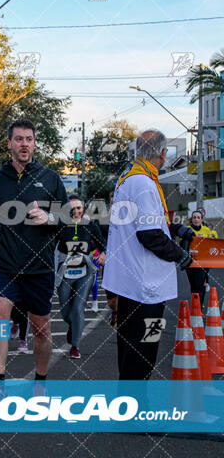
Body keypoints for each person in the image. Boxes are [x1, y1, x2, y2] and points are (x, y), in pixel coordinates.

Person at [0, 118, 68, 391]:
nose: (24, 144)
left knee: (41, 328)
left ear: (35, 143)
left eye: (29, 139)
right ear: (10, 144)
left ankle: (40, 382)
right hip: (4, 264)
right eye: (19, 139)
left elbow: (68, 218)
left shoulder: (51, 179)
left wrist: (49, 217)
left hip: (39, 266)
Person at [102, 129, 195, 380]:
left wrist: (177, 230)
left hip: (132, 286)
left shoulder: (130, 178)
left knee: (132, 356)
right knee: (142, 357)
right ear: (163, 154)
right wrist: (181, 256)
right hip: (145, 289)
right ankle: (135, 415)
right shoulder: (144, 182)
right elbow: (149, 234)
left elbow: (146, 224)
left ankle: (131, 411)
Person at [55, 194, 106, 359]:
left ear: (83, 208)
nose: (75, 211)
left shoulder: (90, 225)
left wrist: (103, 254)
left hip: (85, 271)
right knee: (65, 312)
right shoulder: (61, 225)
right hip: (65, 271)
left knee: (78, 308)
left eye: (78, 208)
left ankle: (75, 346)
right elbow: (49, 244)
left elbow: (102, 245)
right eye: (72, 208)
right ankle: (74, 326)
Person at [185, 209, 215, 308]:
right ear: (191, 219)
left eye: (198, 217)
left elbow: (211, 245)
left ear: (202, 220)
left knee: (200, 285)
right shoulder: (187, 229)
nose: (196, 219)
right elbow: (183, 245)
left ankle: (199, 307)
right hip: (190, 262)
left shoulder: (206, 230)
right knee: (193, 286)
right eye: (194, 217)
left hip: (203, 262)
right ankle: (196, 306)